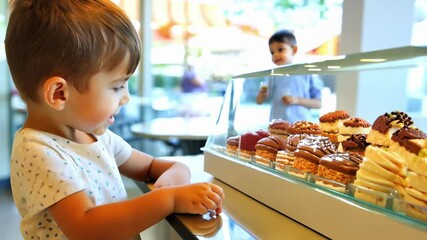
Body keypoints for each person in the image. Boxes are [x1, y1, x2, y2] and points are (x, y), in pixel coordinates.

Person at [5, 1, 224, 240]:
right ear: (60, 93)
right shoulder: (38, 150)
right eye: (118, 86)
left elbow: (151, 167)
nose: (126, 97)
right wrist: (168, 199)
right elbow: (85, 227)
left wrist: (178, 171)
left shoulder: (97, 137)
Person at [256, 29, 323, 123]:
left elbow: (318, 103)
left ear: (294, 50)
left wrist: (297, 100)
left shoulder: (306, 72)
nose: (275, 55)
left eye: (280, 49)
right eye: (272, 52)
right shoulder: (273, 74)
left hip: (301, 127)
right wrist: (261, 95)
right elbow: (259, 101)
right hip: (277, 126)